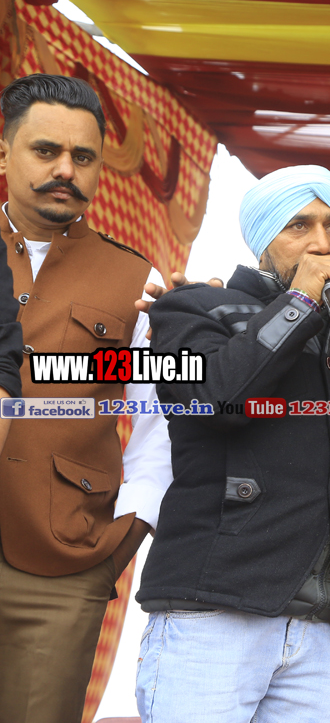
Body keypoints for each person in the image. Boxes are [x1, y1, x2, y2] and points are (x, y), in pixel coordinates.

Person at [131, 165, 330, 722]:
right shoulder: (191, 307)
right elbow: (218, 400)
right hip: (213, 612)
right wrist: (299, 304)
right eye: (299, 225)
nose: (321, 242)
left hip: (322, 629)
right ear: (263, 238)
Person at [0, 73, 172, 723]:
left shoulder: (136, 280)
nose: (65, 171)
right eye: (46, 151)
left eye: (83, 157)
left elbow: (162, 423)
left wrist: (120, 543)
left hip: (61, 565)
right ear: (5, 153)